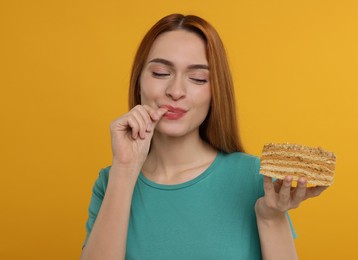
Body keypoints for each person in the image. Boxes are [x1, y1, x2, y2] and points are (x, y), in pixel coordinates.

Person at [80, 13, 327, 260]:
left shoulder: (255, 179)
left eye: (198, 78)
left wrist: (271, 218)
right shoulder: (110, 182)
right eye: (160, 73)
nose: (175, 91)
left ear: (216, 90)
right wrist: (124, 169)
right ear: (138, 82)